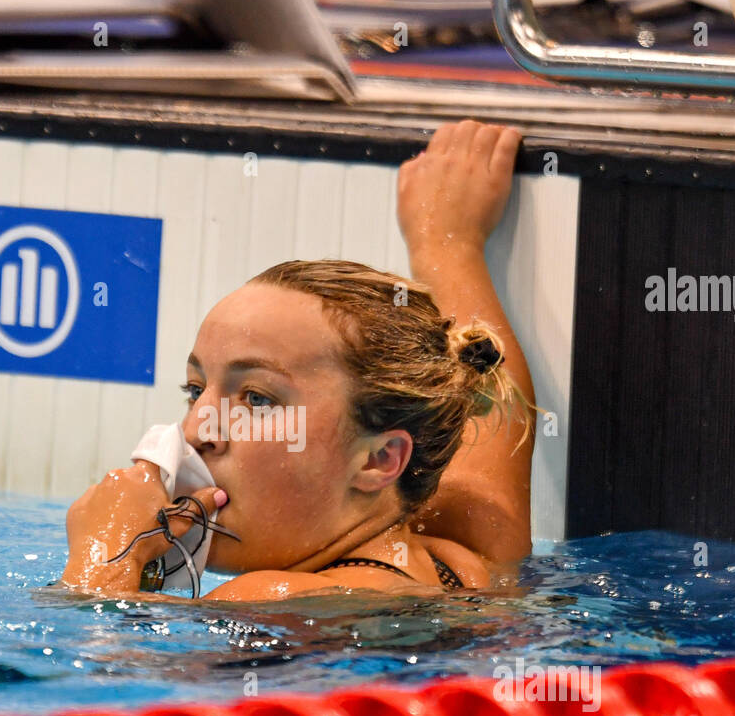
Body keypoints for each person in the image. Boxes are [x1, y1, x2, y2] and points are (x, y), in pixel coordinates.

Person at [61, 119, 534, 601]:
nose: (195, 432)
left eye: (258, 400)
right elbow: (490, 375)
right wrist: (447, 242)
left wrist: (106, 551)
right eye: (196, 390)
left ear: (380, 458)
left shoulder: (268, 601)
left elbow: (87, 663)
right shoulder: (474, 552)